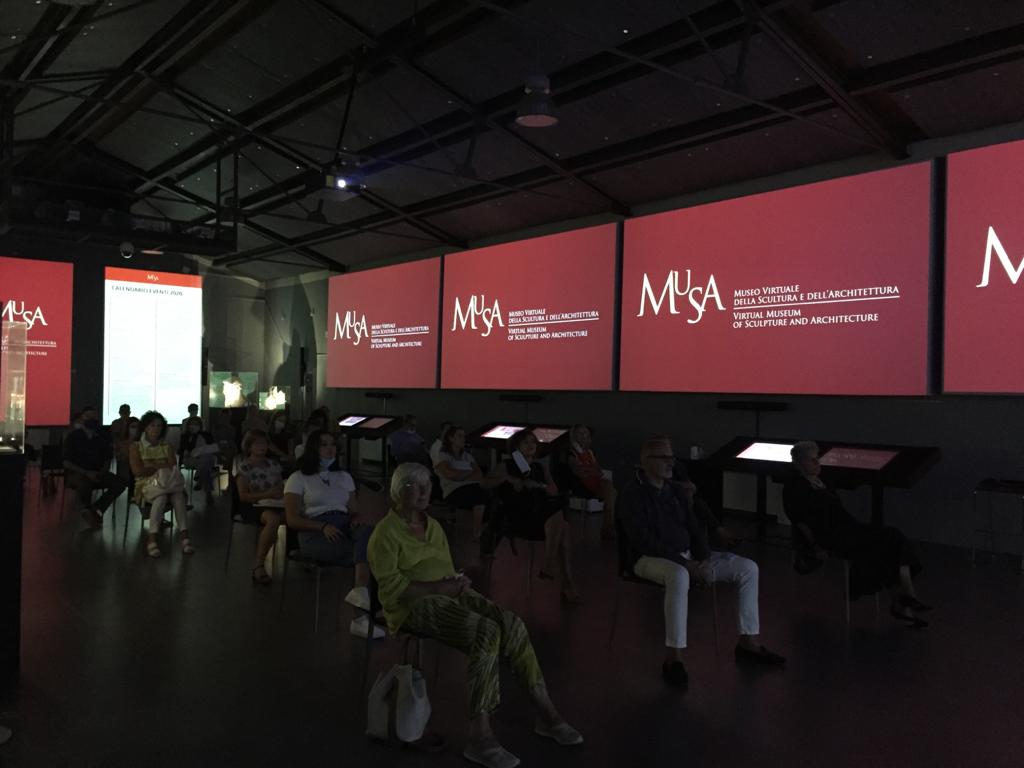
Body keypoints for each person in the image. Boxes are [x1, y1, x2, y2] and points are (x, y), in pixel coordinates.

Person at [368, 463, 583, 768]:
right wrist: (439, 587)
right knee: (485, 632)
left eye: (427, 485)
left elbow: (444, 567)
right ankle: (480, 735)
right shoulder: (385, 534)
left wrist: (456, 582)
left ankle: (545, 710)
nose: (424, 492)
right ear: (397, 491)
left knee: (511, 623)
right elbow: (391, 590)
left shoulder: (433, 526)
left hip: (447, 591)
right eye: (414, 486)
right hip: (412, 605)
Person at [618, 436, 785, 690]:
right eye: (663, 457)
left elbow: (694, 528)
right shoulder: (632, 494)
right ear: (645, 461)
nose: (670, 462)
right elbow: (643, 541)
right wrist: (686, 565)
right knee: (679, 576)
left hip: (687, 557)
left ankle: (748, 642)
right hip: (647, 559)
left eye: (671, 457)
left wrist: (704, 558)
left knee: (747, 568)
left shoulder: (675, 491)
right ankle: (674, 658)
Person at [784, 441, 930, 628]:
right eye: (810, 459)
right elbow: (799, 520)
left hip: (848, 528)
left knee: (893, 536)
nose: (816, 462)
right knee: (881, 545)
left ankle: (906, 595)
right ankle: (902, 601)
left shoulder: (824, 482)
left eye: (817, 458)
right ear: (798, 463)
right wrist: (815, 546)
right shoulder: (795, 487)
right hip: (829, 535)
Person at [284, 429, 379, 638]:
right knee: (368, 556)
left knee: (371, 536)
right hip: (315, 529)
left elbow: (353, 510)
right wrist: (322, 527)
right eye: (324, 445)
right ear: (313, 449)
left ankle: (361, 596)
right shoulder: (298, 478)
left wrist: (355, 519)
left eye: (333, 444)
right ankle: (362, 616)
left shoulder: (344, 477)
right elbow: (292, 519)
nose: (330, 449)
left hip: (344, 524)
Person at [488, 430, 579, 603]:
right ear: (516, 446)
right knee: (562, 524)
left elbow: (553, 490)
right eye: (526, 442)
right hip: (520, 517)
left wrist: (539, 485)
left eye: (533, 442)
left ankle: (556, 571)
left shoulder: (539, 467)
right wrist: (509, 479)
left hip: (541, 515)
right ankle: (564, 580)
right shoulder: (506, 465)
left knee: (562, 524)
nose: (531, 445)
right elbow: (485, 483)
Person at [129, 410, 193, 558]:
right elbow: (138, 471)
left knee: (177, 496)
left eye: (159, 426)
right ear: (145, 427)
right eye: (152, 425)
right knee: (162, 497)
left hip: (167, 483)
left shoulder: (167, 445)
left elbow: (173, 466)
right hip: (145, 485)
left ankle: (177, 537)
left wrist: (151, 465)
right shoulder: (136, 446)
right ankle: (177, 538)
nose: (156, 429)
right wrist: (161, 465)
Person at [63, 405, 128, 528]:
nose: (91, 419)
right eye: (88, 416)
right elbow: (66, 462)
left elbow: (108, 457)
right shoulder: (73, 436)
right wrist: (86, 473)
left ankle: (97, 509)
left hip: (98, 473)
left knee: (120, 483)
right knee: (84, 482)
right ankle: (87, 510)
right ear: (81, 418)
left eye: (94, 417)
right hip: (77, 473)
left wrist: (103, 471)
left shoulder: (101, 436)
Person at [236, 429, 284, 585]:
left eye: (264, 443)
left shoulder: (273, 465)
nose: (261, 447)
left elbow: (280, 485)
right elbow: (243, 496)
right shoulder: (244, 467)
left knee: (295, 514)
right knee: (273, 519)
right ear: (249, 446)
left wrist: (279, 493)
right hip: (252, 505)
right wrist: (267, 494)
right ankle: (259, 564)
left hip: (274, 502)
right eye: (257, 444)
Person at [434, 425, 489, 542]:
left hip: (471, 485)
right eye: (459, 436)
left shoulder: (467, 456)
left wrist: (462, 475)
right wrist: (468, 473)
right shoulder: (443, 456)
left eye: (464, 436)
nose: (463, 439)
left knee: (489, 494)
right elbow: (450, 474)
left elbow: (478, 473)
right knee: (480, 494)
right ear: (451, 439)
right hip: (453, 490)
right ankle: (477, 530)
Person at [566, 424, 617, 539]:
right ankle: (608, 526)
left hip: (595, 483)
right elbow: (580, 472)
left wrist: (592, 470)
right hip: (581, 485)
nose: (584, 436)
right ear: (574, 436)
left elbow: (598, 469)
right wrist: (592, 471)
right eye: (580, 433)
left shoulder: (589, 452)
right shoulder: (571, 453)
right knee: (610, 491)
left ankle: (608, 526)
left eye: (586, 433)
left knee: (612, 492)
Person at [179, 415, 218, 504]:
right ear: (188, 426)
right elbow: (181, 451)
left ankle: (200, 478)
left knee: (206, 460)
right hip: (191, 459)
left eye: (196, 424)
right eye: (191, 424)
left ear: (200, 425)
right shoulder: (185, 436)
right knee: (206, 465)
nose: (193, 426)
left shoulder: (206, 435)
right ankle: (208, 494)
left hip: (205, 459)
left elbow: (212, 447)